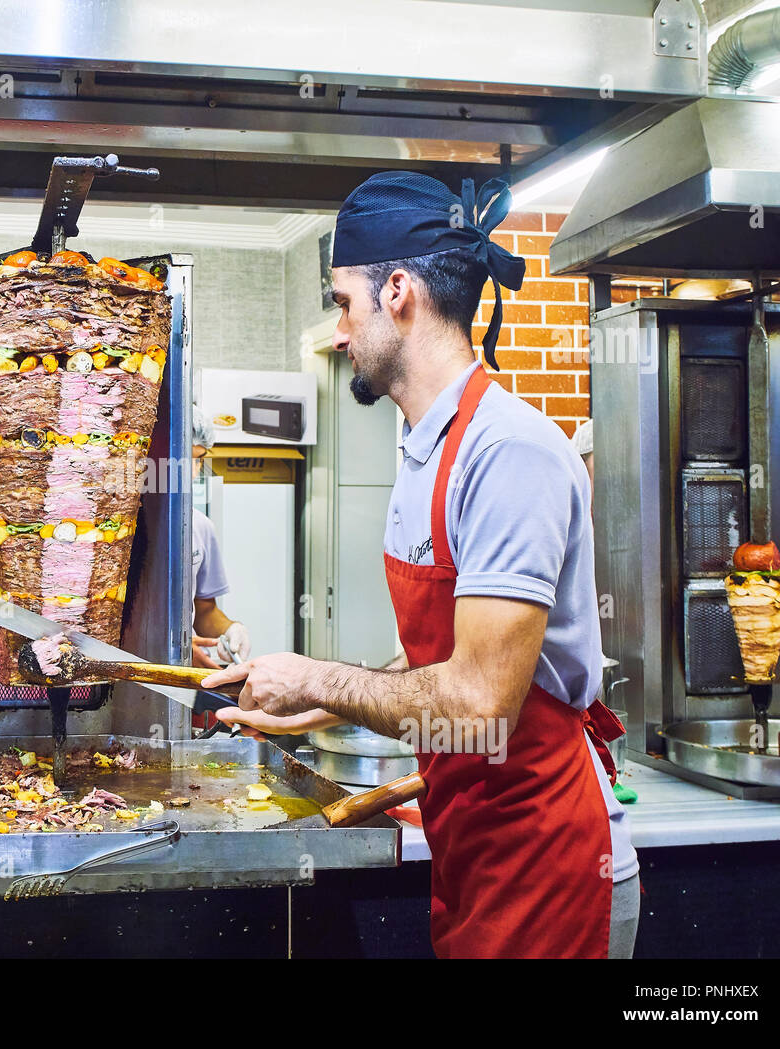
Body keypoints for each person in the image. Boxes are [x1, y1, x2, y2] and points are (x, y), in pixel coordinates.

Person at [204, 172, 638, 959]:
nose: (339, 333)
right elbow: (444, 649)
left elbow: (478, 702)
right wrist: (321, 710)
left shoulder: (506, 452)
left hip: (550, 865)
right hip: (475, 857)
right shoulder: (426, 447)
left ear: (398, 290)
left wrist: (315, 678)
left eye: (343, 303)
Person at [189, 407, 250, 670]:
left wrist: (231, 630)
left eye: (198, 459)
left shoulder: (200, 527)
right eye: (181, 457)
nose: (191, 470)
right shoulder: (117, 529)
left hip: (176, 684)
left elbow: (203, 611)